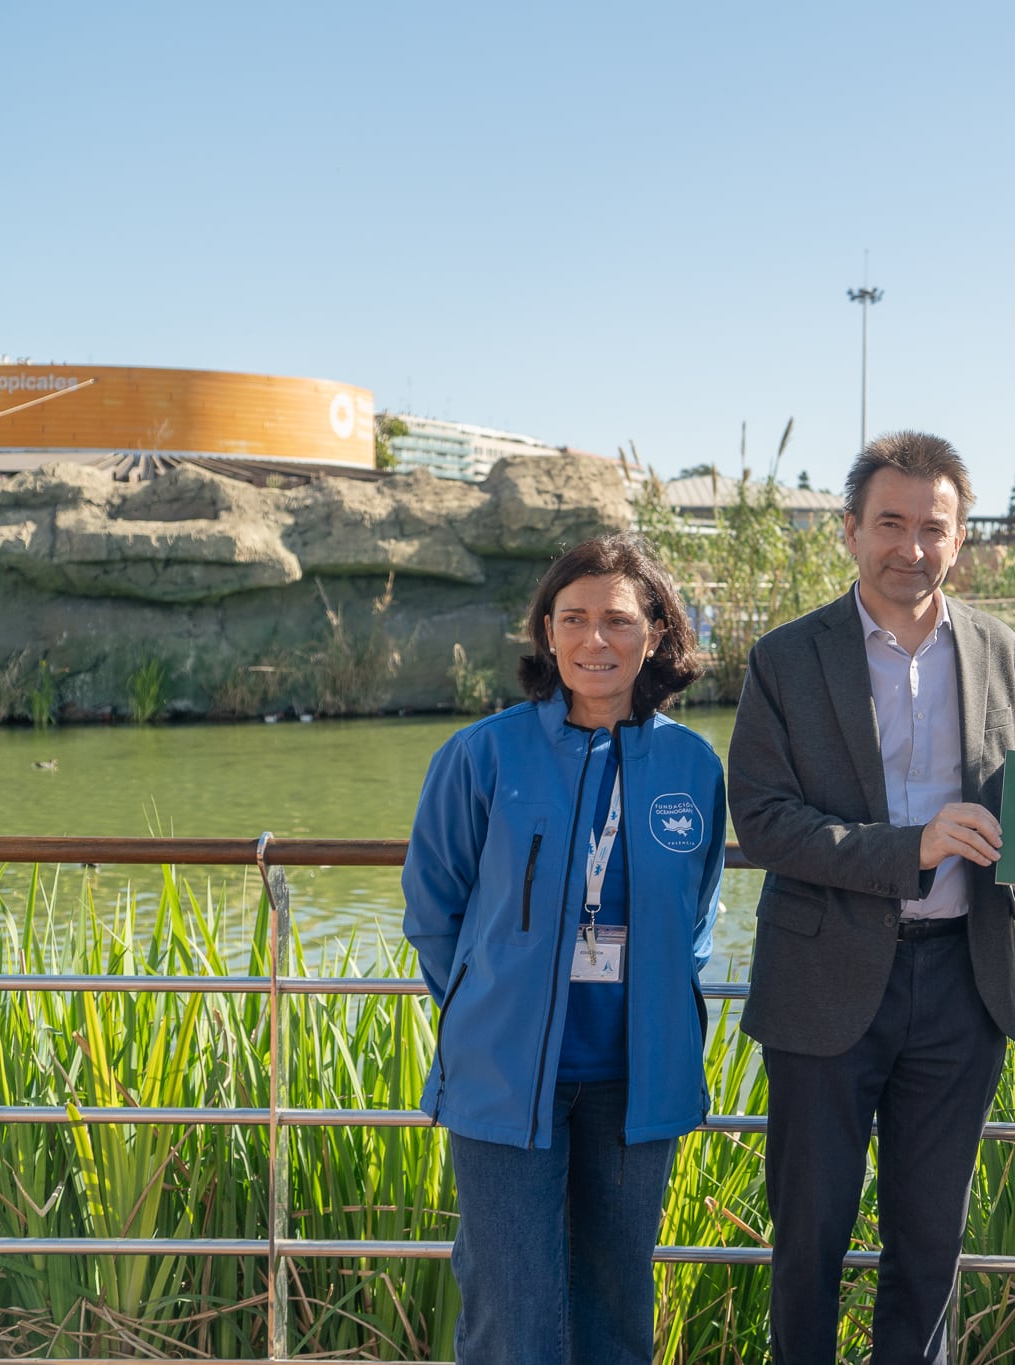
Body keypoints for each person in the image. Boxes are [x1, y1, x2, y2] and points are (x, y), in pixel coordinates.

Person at [728, 431, 1015, 1365]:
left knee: (929, 1244)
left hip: (964, 985)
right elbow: (761, 820)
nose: (910, 547)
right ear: (849, 530)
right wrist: (908, 848)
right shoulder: (785, 658)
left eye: (933, 527)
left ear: (960, 540)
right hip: (823, 982)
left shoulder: (1001, 649)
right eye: (890, 523)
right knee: (809, 1239)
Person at [402, 533, 725, 1365]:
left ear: (654, 632)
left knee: (617, 1309)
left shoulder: (693, 766)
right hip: (505, 1075)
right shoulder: (483, 754)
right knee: (513, 1316)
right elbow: (434, 909)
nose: (594, 640)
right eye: (572, 618)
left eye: (617, 620)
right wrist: (490, 1000)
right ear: (546, 631)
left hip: (634, 1080)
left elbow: (696, 917)